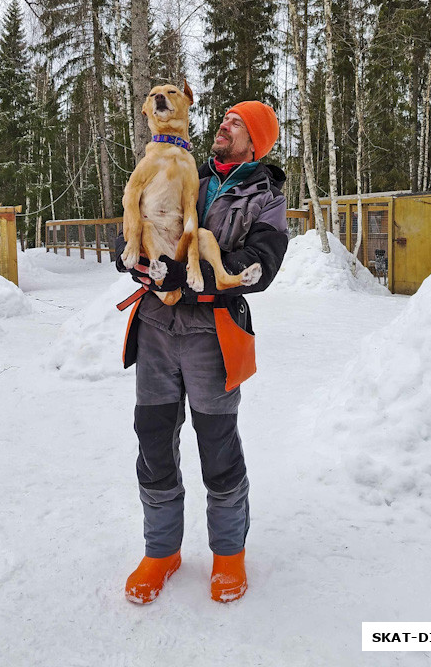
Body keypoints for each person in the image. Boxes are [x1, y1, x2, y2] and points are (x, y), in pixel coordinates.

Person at [115, 100, 288, 604]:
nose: (224, 124)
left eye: (237, 122)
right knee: (152, 441)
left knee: (217, 445)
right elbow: (142, 212)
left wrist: (189, 282)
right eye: (225, 117)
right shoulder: (181, 163)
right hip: (154, 329)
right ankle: (162, 550)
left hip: (212, 337)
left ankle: (229, 554)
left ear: (255, 140)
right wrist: (130, 252)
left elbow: (261, 263)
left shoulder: (266, 195)